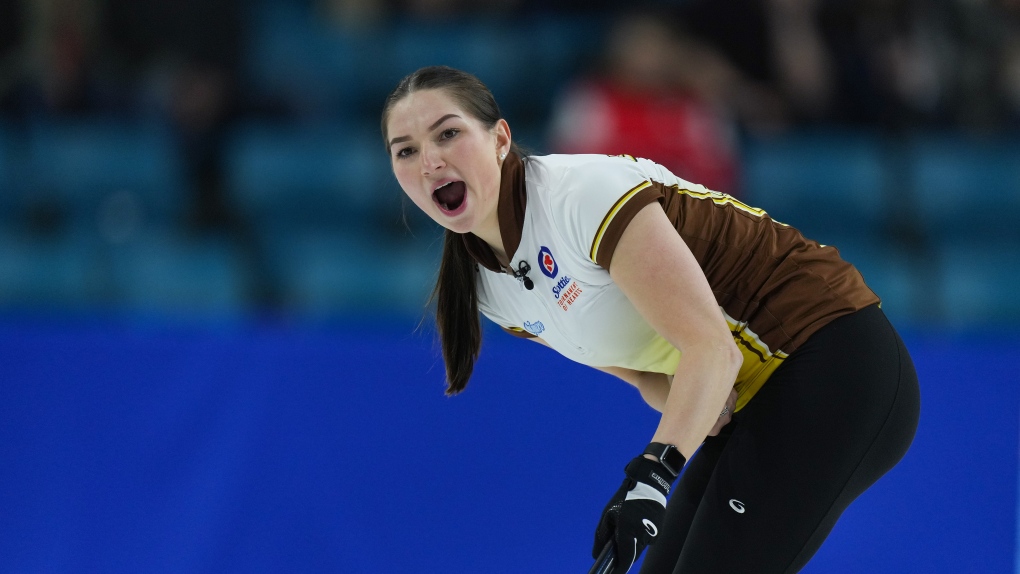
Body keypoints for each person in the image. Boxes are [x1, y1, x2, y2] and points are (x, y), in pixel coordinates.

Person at [381, 65, 920, 574]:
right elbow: (647, 375)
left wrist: (652, 474)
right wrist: (678, 431)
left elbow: (712, 350)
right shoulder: (489, 290)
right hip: (755, 398)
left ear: (500, 139)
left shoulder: (581, 196)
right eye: (406, 151)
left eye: (447, 134)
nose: (429, 162)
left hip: (834, 359)